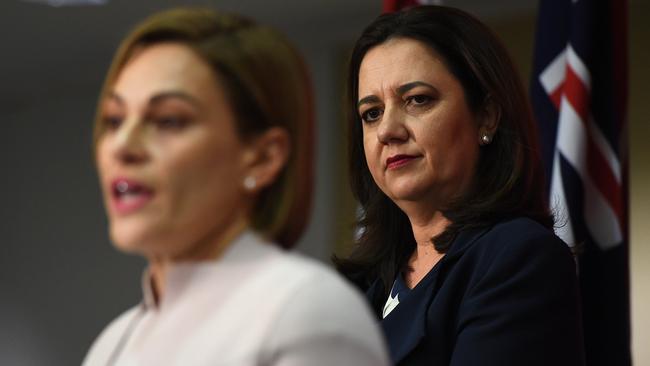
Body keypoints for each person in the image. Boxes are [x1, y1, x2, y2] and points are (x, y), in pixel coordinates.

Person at [82, 8, 389, 366]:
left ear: (262, 158)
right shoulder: (113, 342)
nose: (122, 146)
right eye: (114, 120)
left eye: (168, 119)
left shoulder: (306, 312)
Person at [336, 5, 585, 366]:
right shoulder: (359, 288)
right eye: (371, 113)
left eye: (417, 99)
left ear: (486, 115)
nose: (388, 130)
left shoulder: (517, 258)